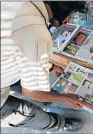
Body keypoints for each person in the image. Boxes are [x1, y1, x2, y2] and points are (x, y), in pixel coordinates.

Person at [1, 1, 87, 132]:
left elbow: (21, 51)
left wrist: (50, 66)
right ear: (62, 8)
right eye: (70, 13)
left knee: (24, 86)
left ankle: (46, 99)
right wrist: (65, 98)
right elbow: (30, 92)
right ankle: (58, 124)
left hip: (5, 70)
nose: (69, 19)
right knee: (28, 114)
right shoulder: (37, 33)